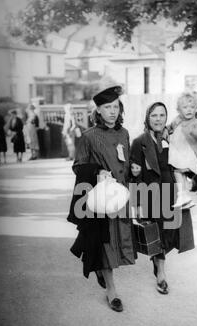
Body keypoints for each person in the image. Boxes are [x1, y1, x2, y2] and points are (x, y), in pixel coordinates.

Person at [68, 86, 136, 312]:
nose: (112, 111)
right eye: (107, 107)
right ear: (98, 110)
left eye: (116, 107)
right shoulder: (88, 137)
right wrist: (97, 172)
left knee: (119, 240)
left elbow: (125, 163)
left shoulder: (124, 133)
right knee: (106, 241)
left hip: (121, 197)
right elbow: (78, 166)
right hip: (102, 199)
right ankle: (112, 291)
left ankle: (101, 270)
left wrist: (133, 171)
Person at [130, 102, 195, 295]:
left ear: (166, 118)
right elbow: (135, 175)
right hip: (151, 196)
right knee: (156, 233)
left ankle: (157, 261)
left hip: (172, 194)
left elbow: (185, 162)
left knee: (171, 233)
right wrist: (138, 203)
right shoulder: (139, 142)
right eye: (154, 115)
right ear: (147, 118)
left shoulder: (173, 138)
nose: (158, 119)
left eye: (162, 115)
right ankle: (161, 274)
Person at [168, 92, 197, 209]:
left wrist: (194, 132)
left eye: (192, 107)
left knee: (178, 172)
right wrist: (166, 131)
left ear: (196, 109)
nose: (189, 110)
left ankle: (182, 195)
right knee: (179, 173)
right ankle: (184, 196)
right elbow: (170, 128)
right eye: (185, 107)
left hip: (189, 155)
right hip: (180, 154)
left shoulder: (196, 122)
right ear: (179, 110)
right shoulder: (177, 120)